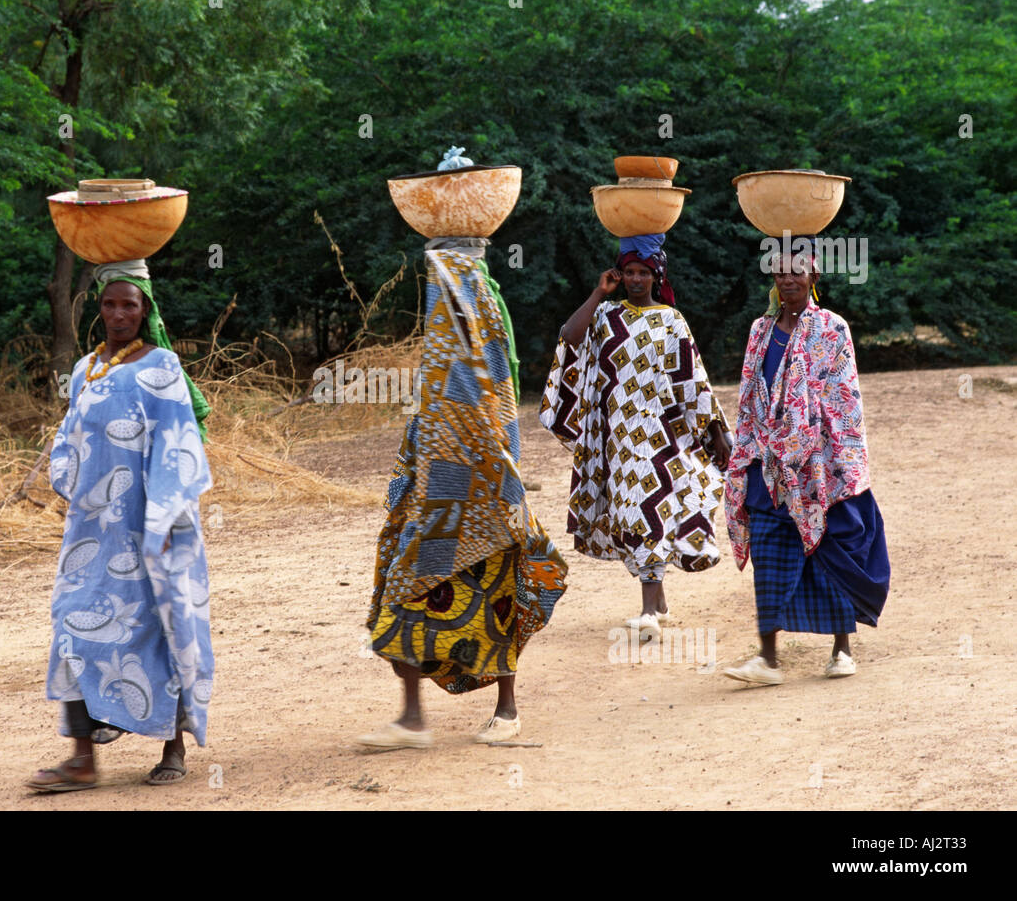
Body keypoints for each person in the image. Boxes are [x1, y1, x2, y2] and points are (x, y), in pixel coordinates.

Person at [359, 243, 568, 748]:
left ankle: (506, 711)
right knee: (404, 596)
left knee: (495, 600)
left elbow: (492, 416)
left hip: (483, 498)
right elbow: (430, 417)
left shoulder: (478, 326)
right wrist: (406, 486)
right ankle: (412, 718)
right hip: (438, 496)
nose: (434, 289)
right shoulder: (448, 337)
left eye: (439, 281)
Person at [27, 259, 213, 791]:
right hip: (91, 532)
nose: (117, 314)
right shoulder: (87, 368)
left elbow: (182, 450)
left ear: (145, 310)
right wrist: (72, 483)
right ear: (99, 309)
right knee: (71, 624)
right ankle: (82, 758)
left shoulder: (163, 368)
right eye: (109, 304)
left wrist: (165, 522)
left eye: (129, 304)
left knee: (162, 624)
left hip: (151, 529)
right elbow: (67, 437)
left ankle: (172, 746)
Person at [540, 234, 731, 640]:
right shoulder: (607, 316)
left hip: (663, 436)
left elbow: (693, 380)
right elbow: (569, 337)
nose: (635, 279)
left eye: (643, 272)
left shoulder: (671, 321)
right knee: (633, 514)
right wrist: (598, 291)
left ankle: (647, 611)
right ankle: (658, 602)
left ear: (656, 275)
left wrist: (715, 432)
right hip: (618, 440)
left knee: (649, 510)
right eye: (628, 272)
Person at [722, 246, 890, 685]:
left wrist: (817, 442)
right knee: (768, 546)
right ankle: (768, 657)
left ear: (812, 275)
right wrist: (746, 447)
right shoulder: (760, 331)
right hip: (768, 462)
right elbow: (749, 396)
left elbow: (844, 397)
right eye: (779, 274)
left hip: (817, 464)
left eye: (796, 273)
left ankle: (841, 649)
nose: (787, 281)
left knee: (826, 549)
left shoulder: (833, 328)